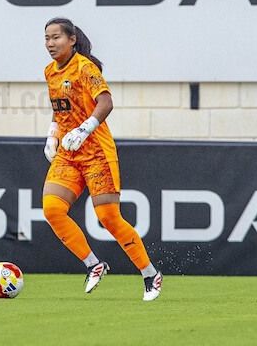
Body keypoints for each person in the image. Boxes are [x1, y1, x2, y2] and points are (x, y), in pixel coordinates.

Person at [41, 17, 162, 301]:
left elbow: (106, 102)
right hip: (69, 153)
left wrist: (84, 129)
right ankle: (93, 264)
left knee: (108, 217)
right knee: (52, 209)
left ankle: (149, 274)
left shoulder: (85, 67)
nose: (50, 43)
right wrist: (52, 133)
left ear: (72, 40)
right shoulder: (49, 71)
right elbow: (60, 108)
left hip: (96, 151)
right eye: (47, 38)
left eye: (56, 37)